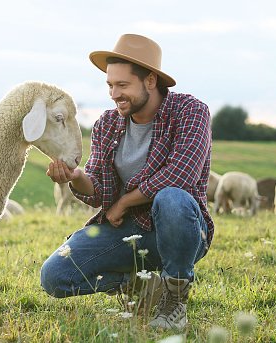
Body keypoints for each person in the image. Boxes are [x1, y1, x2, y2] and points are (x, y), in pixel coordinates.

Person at [40, 33, 214, 331]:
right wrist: (77, 176)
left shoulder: (190, 111)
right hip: (128, 231)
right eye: (110, 85)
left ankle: (174, 300)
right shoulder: (107, 123)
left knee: (171, 196)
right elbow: (98, 189)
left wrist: (124, 202)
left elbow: (181, 175)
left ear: (149, 81)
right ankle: (140, 284)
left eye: (122, 85)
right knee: (55, 277)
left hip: (180, 229)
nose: (114, 94)